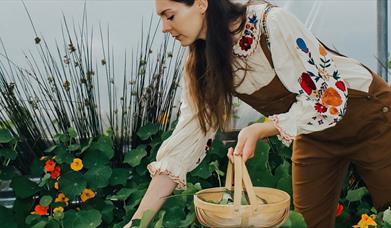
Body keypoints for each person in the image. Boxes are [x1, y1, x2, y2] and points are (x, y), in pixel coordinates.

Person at [125, 0, 391, 227]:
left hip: (370, 117)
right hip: (314, 133)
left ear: (202, 3)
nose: (164, 28)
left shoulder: (270, 23)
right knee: (305, 223)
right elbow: (181, 150)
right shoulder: (202, 63)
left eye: (170, 16)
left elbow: (328, 97)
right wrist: (136, 222)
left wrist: (260, 129)